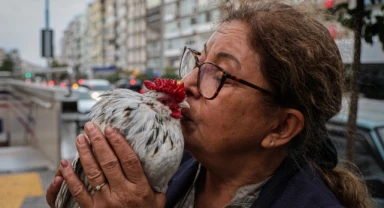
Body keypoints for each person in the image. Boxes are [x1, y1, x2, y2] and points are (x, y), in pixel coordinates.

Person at [46, 1, 376, 207]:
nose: (187, 83)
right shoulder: (161, 166)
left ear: (280, 126)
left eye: (219, 74)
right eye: (198, 62)